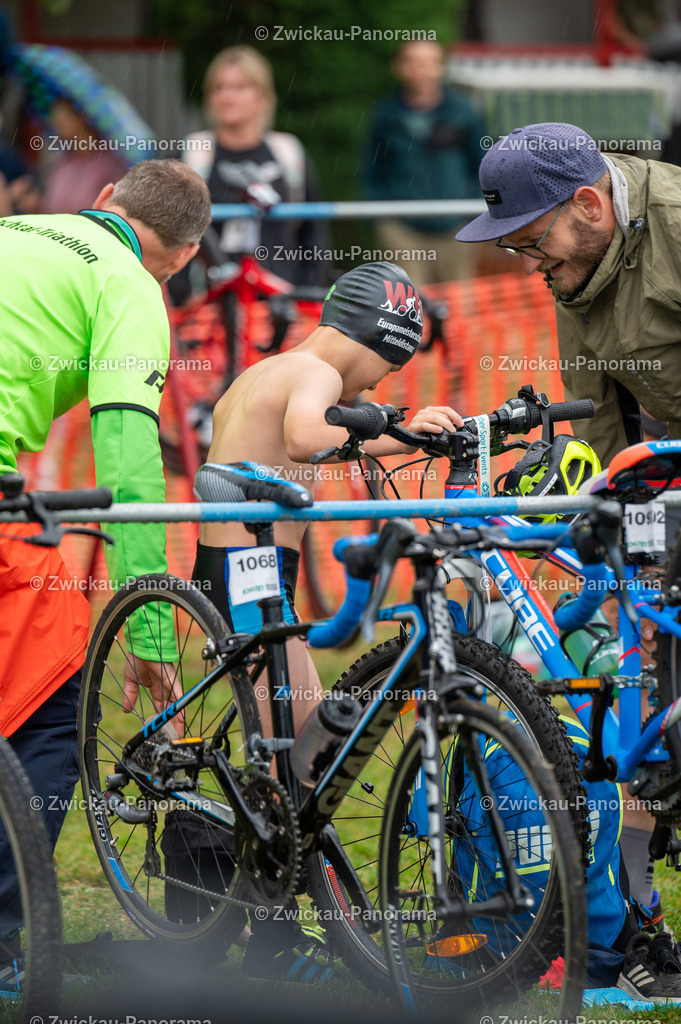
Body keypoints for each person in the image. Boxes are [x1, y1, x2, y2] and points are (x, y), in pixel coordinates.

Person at [456, 120, 681, 999]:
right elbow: (601, 420)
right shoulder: (574, 265)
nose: (528, 265)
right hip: (665, 471)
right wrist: (614, 540)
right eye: (513, 248)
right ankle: (642, 932)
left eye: (531, 242)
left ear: (588, 204)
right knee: (646, 715)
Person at [192, 260, 462, 978]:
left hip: (240, 571)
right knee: (300, 765)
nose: (379, 386)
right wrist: (384, 418)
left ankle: (271, 916)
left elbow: (334, 433)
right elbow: (310, 436)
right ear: (373, 344)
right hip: (248, 577)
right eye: (386, 371)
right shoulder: (313, 375)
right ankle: (270, 940)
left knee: (295, 756)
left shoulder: (272, 370)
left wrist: (406, 432)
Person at [0, 158, 211, 994]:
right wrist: (150, 630)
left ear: (101, 201)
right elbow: (128, 469)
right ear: (184, 256)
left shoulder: (14, 229)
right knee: (51, 709)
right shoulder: (129, 286)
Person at [181, 44, 331, 289]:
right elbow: (169, 233)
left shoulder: (288, 152)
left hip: (283, 297)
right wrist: (183, 295)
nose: (226, 96)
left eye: (239, 87)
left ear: (262, 96)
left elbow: (313, 232)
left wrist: (309, 291)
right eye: (218, 88)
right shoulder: (192, 154)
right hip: (210, 300)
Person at [363, 40, 486, 286]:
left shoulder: (464, 111)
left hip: (456, 227)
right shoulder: (385, 114)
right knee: (408, 301)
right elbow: (371, 168)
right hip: (402, 228)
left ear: (441, 67)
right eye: (412, 62)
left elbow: (482, 165)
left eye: (428, 63)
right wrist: (382, 218)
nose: (420, 70)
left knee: (459, 300)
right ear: (398, 67)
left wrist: (472, 212)